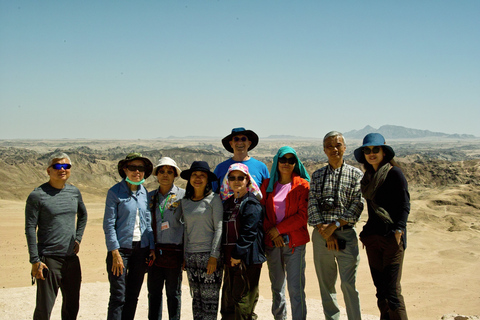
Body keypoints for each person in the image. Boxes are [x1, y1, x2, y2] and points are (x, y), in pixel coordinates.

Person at [307, 131, 364, 320]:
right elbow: (312, 204)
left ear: (345, 148)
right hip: (322, 236)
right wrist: (326, 232)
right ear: (324, 150)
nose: (334, 149)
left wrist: (335, 226)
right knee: (326, 285)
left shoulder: (356, 174)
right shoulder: (317, 176)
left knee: (349, 285)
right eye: (329, 146)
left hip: (346, 235)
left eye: (338, 145)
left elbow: (357, 205)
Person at [25, 152, 88, 320]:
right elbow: (30, 228)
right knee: (44, 308)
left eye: (66, 166)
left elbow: (83, 215)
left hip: (71, 258)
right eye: (57, 166)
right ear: (48, 170)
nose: (62, 169)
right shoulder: (37, 195)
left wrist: (78, 238)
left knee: (72, 306)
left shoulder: (74, 192)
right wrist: (35, 260)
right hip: (48, 260)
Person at [354, 133, 410, 320]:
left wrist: (399, 230)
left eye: (375, 149)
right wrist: (366, 233)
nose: (371, 153)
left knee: (392, 291)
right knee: (381, 291)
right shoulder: (369, 177)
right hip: (373, 239)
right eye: (367, 150)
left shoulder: (394, 173)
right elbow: (371, 209)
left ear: (384, 152)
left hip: (392, 238)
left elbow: (404, 204)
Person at [260, 146, 310, 320]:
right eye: (283, 160)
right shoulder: (267, 185)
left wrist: (279, 229)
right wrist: (273, 233)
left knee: (296, 288)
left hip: (295, 243)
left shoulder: (302, 185)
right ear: (277, 162)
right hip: (273, 243)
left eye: (291, 160)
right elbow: (262, 213)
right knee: (277, 287)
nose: (286, 164)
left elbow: (303, 216)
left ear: (296, 163)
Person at [103, 152, 155, 320]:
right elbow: (109, 224)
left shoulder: (144, 193)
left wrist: (152, 246)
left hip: (141, 249)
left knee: (133, 295)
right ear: (125, 169)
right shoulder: (115, 192)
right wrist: (115, 252)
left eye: (140, 168)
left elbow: (148, 222)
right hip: (120, 251)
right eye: (133, 167)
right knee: (118, 296)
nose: (137, 172)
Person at [219, 163, 266, 320]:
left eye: (241, 177)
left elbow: (249, 232)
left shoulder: (251, 203)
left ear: (248, 180)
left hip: (246, 260)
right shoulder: (228, 203)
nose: (236, 181)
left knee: (243, 301)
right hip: (230, 259)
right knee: (228, 300)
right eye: (232, 178)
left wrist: (237, 254)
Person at [178, 161, 223, 320]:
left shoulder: (214, 199)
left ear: (207, 180)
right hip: (191, 257)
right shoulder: (185, 202)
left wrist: (214, 256)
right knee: (196, 301)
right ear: (189, 178)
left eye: (202, 176)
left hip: (208, 257)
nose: (198, 178)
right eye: (194, 175)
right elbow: (185, 230)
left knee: (209, 302)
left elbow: (219, 228)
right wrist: (184, 255)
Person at [147, 157, 185, 320]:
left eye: (170, 172)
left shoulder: (183, 196)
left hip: (174, 252)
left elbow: (188, 226)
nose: (165, 175)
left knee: (173, 293)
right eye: (161, 171)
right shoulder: (149, 197)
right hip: (154, 252)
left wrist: (185, 254)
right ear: (156, 174)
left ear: (175, 175)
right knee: (154, 293)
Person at [213, 127, 269, 193]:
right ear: (231, 144)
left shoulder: (261, 167)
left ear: (249, 143)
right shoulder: (220, 168)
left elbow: (267, 192)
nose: (240, 142)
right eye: (236, 139)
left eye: (243, 139)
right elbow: (213, 193)